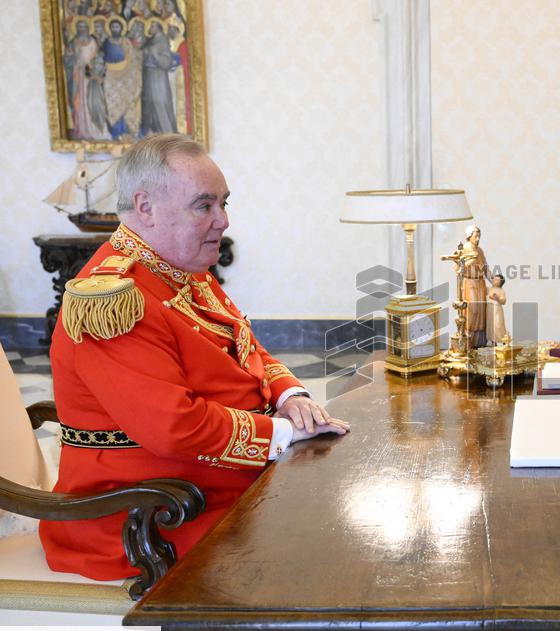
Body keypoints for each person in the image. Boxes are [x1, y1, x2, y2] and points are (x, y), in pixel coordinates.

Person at [40, 134, 350, 580]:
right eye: (204, 206)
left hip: (213, 479)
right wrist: (282, 434)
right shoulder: (114, 298)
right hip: (149, 513)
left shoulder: (178, 267)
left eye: (224, 204)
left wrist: (290, 397)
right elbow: (173, 426)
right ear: (145, 207)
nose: (223, 220)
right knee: (317, 544)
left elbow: (244, 347)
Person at [460, 226, 489, 348]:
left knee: (482, 311)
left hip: (480, 283)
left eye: (479, 236)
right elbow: (458, 267)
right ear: (469, 236)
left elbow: (486, 267)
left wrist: (495, 283)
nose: (478, 239)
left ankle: (479, 343)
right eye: (475, 236)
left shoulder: (480, 250)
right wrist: (470, 262)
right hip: (470, 282)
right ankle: (468, 342)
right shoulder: (465, 249)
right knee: (473, 310)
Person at [486, 272, 507, 344]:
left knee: (498, 324)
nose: (494, 281)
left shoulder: (501, 291)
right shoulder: (490, 289)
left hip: (497, 309)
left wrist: (497, 298)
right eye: (494, 279)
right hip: (489, 309)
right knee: (490, 325)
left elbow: (503, 301)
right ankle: (493, 341)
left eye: (497, 280)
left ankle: (504, 340)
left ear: (500, 283)